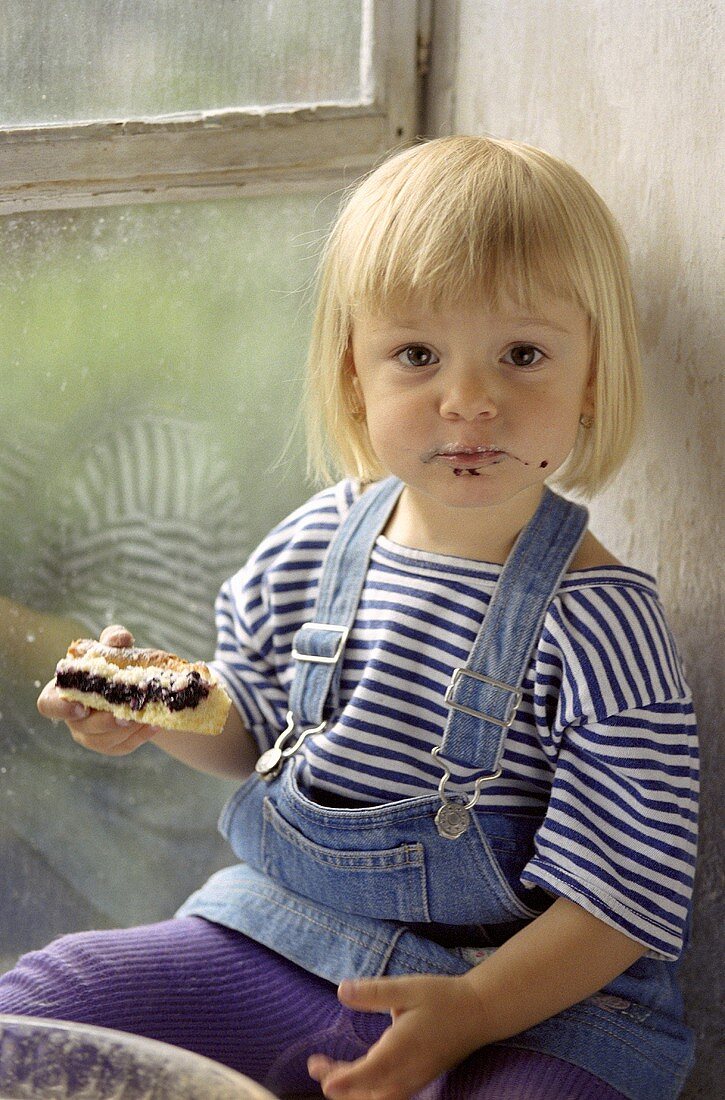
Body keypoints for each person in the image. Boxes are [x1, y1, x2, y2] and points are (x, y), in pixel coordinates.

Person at [0, 137, 699, 1100]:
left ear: (588, 380)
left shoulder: (601, 625)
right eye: (416, 354)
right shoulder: (321, 539)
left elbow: (619, 904)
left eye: (522, 355)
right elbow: (249, 728)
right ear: (353, 377)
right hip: (285, 938)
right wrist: (155, 705)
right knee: (41, 1003)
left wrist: (471, 1014)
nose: (470, 400)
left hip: (537, 1011)